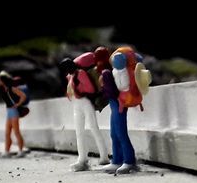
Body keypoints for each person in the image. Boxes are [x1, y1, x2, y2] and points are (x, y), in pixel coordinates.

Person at [58, 56, 110, 171]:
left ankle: (104, 156)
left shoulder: (80, 73)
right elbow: (70, 91)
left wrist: (79, 86)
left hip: (86, 102)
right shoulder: (70, 76)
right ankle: (82, 159)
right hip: (76, 104)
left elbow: (90, 89)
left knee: (93, 128)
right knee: (79, 132)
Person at [105, 46, 150, 175]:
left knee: (120, 133)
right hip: (116, 103)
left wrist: (109, 83)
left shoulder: (121, 72)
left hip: (120, 103)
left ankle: (129, 160)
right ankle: (117, 160)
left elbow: (122, 86)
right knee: (114, 133)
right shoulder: (120, 70)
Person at [0, 70, 29, 156]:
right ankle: (7, 151)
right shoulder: (4, 90)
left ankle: (21, 151)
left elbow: (23, 96)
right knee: (7, 133)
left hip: (13, 111)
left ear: (3, 81)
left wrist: (18, 104)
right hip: (9, 112)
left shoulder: (12, 88)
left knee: (16, 132)